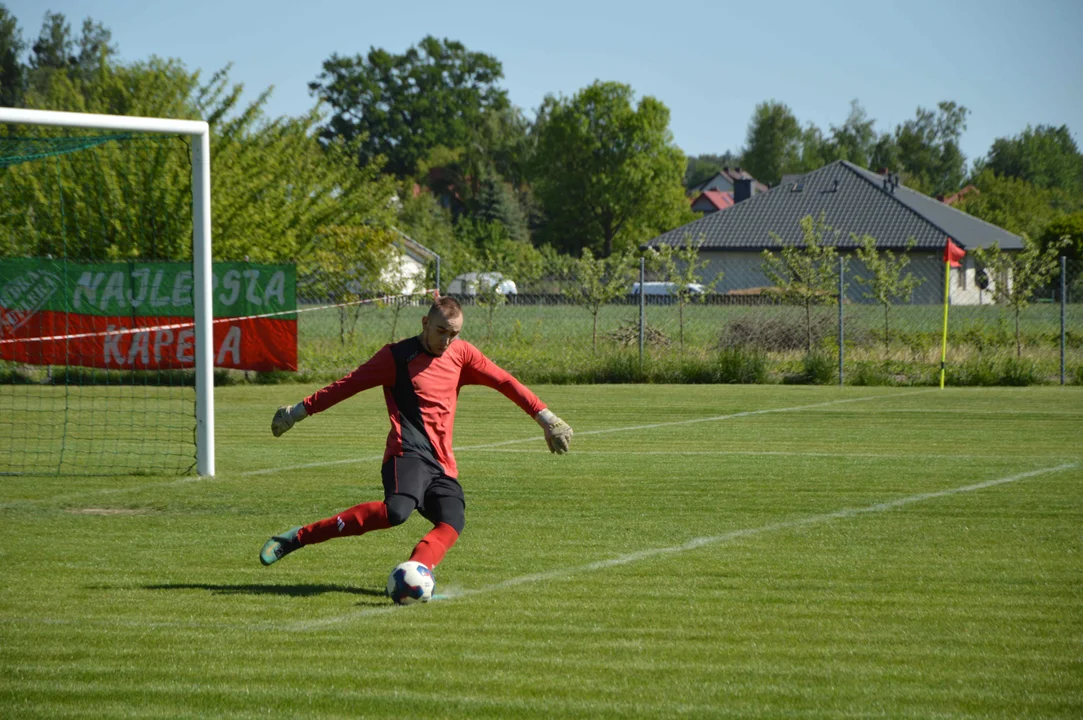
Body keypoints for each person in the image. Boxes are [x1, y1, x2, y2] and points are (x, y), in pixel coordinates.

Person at [259, 295, 573, 575]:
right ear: (425, 323)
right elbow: (346, 386)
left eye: (454, 334)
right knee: (396, 512)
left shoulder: (462, 354)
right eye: (441, 331)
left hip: (442, 465)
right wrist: (295, 413)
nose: (447, 340)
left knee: (452, 521)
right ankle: (297, 537)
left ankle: (415, 571)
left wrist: (546, 418)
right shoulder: (396, 357)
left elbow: (505, 382)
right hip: (405, 454)